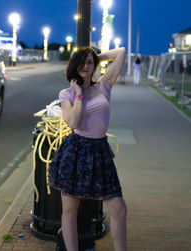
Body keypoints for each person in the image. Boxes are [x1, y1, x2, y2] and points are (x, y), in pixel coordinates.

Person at [48, 47, 127, 251]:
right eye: (81, 62)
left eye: (89, 63)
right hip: (76, 151)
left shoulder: (103, 85)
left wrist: (95, 57)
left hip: (100, 151)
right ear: (74, 65)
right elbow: (73, 122)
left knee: (119, 210)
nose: (85, 66)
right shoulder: (66, 94)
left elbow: (121, 52)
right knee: (70, 211)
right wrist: (79, 95)